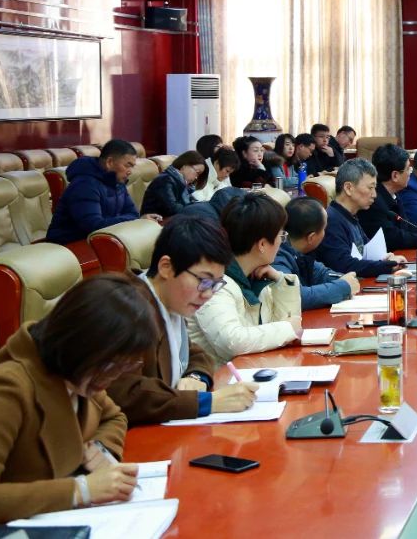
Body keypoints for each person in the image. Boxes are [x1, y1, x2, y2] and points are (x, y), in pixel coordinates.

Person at [0, 274, 157, 523]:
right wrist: (79, 490)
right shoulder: (8, 387)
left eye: (125, 366)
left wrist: (100, 450)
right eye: (111, 365)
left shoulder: (78, 374)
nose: (113, 377)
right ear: (79, 343)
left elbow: (114, 417)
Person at [105, 216, 259, 425]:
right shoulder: (125, 310)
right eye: (204, 281)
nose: (208, 294)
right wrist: (206, 402)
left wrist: (196, 377)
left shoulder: (169, 300)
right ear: (166, 267)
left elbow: (197, 354)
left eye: (215, 284)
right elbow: (125, 394)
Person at [187, 192, 302, 363]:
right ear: (262, 244)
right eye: (281, 236)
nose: (281, 242)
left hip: (254, 369)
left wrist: (281, 282)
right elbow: (231, 342)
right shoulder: (213, 282)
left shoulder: (258, 276)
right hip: (219, 376)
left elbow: (290, 327)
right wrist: (286, 329)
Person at [46, 139, 159, 244]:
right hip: (67, 245)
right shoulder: (84, 185)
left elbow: (132, 213)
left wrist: (137, 219)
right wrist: (135, 220)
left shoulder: (117, 181)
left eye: (132, 166)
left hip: (100, 240)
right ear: (109, 162)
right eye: (127, 165)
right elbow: (94, 225)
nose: (130, 171)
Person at [313, 158, 408, 277]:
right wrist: (386, 266)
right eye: (370, 188)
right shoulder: (331, 220)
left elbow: (367, 251)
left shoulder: (350, 216)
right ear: (348, 188)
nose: (374, 195)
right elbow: (344, 265)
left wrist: (385, 258)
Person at [274, 197, 362, 310]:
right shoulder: (277, 256)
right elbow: (297, 296)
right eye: (324, 229)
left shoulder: (301, 253)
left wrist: (345, 279)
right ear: (311, 237)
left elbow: (321, 273)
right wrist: (343, 286)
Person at [361, 145, 417, 252]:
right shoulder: (373, 201)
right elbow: (394, 238)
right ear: (395, 176)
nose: (411, 172)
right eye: (408, 168)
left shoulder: (394, 194)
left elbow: (406, 227)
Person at [141, 150, 205, 218]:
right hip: (155, 220)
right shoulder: (164, 180)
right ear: (184, 166)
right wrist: (195, 209)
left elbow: (191, 201)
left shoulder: (182, 182)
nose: (196, 177)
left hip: (171, 218)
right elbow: (173, 209)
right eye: (197, 172)